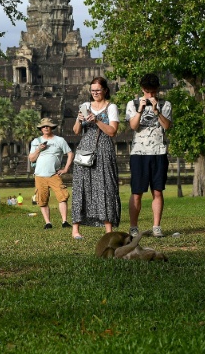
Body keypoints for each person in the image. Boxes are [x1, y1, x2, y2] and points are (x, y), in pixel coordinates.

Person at [70, 76, 121, 240]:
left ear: (105, 90)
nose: (95, 93)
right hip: (85, 149)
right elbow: (76, 131)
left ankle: (108, 230)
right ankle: (75, 229)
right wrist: (79, 119)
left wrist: (97, 120)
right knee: (81, 186)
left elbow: (112, 131)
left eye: (98, 90)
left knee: (106, 186)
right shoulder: (84, 106)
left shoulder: (111, 107)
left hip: (104, 149)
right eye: (92, 90)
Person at [125, 73, 173, 238]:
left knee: (157, 191)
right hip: (139, 153)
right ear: (142, 89)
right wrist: (140, 109)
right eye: (147, 91)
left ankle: (156, 226)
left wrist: (156, 110)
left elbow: (167, 126)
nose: (150, 95)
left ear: (157, 90)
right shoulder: (132, 104)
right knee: (137, 192)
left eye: (153, 92)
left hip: (158, 152)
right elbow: (133, 126)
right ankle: (133, 227)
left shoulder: (165, 104)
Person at [28, 118, 73, 230]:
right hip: (39, 175)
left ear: (52, 127)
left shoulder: (59, 140)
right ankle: (48, 222)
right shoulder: (36, 141)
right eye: (43, 126)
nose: (46, 128)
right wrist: (39, 149)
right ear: (41, 129)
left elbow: (70, 153)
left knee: (62, 196)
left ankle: (64, 221)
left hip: (54, 174)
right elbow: (31, 159)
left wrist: (66, 168)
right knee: (42, 200)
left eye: (48, 126)